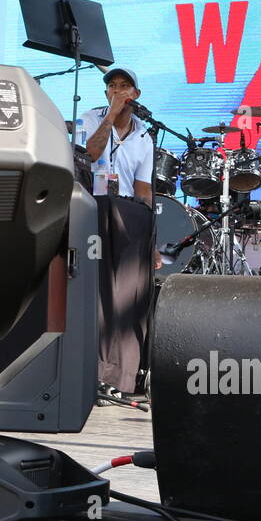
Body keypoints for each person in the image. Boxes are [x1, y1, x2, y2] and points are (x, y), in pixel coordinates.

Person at [79, 68, 157, 401]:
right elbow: (90, 154)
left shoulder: (144, 137)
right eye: (111, 85)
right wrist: (110, 114)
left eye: (124, 86)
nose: (117, 90)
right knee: (94, 295)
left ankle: (121, 377)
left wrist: (151, 243)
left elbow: (144, 192)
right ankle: (88, 371)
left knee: (125, 299)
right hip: (94, 212)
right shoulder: (90, 117)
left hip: (128, 217)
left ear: (135, 95)